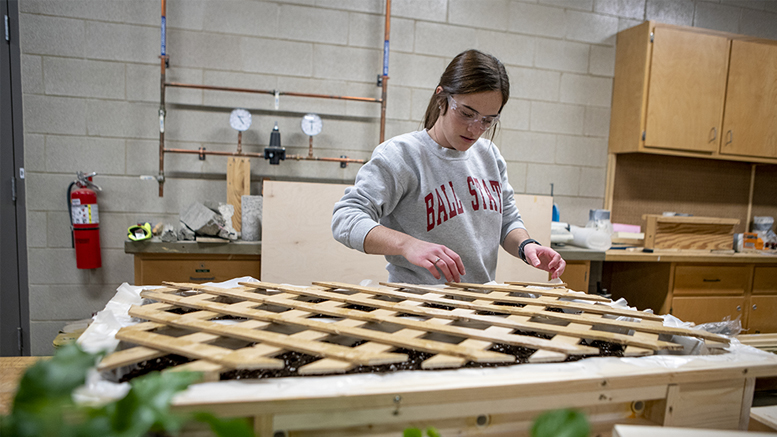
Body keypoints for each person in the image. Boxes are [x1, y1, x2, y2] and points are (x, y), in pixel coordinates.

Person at [332, 49, 565, 284]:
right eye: (466, 113)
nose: (475, 129)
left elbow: (507, 222)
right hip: (417, 310)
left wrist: (526, 246)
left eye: (487, 120)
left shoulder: (489, 156)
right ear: (441, 98)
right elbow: (346, 217)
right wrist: (407, 245)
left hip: (476, 307)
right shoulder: (402, 155)